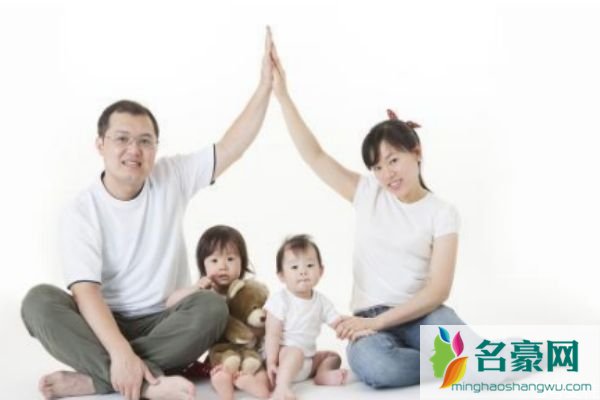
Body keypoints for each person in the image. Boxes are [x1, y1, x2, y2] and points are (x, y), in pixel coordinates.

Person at [20, 29, 275, 400]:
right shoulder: (81, 210)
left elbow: (231, 147)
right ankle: (145, 381)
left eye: (145, 141)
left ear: (156, 147)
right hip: (101, 322)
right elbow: (86, 293)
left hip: (164, 321)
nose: (134, 150)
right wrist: (120, 352)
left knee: (211, 307)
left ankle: (98, 380)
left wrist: (266, 86)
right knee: (38, 301)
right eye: (122, 139)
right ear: (100, 144)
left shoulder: (170, 177)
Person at [269, 37, 466, 388]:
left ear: (416, 152)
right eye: (377, 166)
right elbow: (315, 156)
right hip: (367, 319)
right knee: (378, 368)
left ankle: (471, 359)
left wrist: (379, 323)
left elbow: (438, 291)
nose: (387, 174)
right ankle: (458, 364)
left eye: (393, 160)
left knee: (454, 341)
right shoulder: (368, 193)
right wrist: (283, 96)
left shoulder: (442, 212)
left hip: (421, 314)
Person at [167, 225, 271, 400]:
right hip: (223, 354)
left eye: (230, 259)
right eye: (214, 261)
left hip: (249, 352)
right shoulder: (204, 294)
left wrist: (256, 331)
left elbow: (265, 320)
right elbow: (170, 303)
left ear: (242, 262)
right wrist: (195, 288)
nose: (222, 266)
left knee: (260, 370)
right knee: (220, 372)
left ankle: (257, 387)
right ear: (203, 265)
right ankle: (226, 392)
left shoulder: (248, 292)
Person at [265, 234, 348, 400]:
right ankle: (282, 388)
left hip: (309, 361)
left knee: (333, 356)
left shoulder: (321, 301)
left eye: (310, 265)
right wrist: (271, 362)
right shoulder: (280, 300)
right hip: (285, 359)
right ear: (281, 275)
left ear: (321, 271)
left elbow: (337, 322)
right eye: (294, 267)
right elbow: (272, 334)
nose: (303, 272)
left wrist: (352, 329)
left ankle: (322, 375)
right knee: (295, 352)